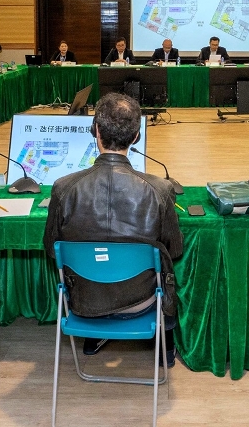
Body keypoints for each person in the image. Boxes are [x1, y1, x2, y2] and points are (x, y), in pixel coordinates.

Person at [45, 92, 184, 361]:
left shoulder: (63, 188)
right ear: (136, 136)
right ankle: (164, 346)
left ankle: (95, 333)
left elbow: (52, 250)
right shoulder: (160, 189)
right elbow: (174, 250)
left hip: (85, 299)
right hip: (143, 299)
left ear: (94, 130)